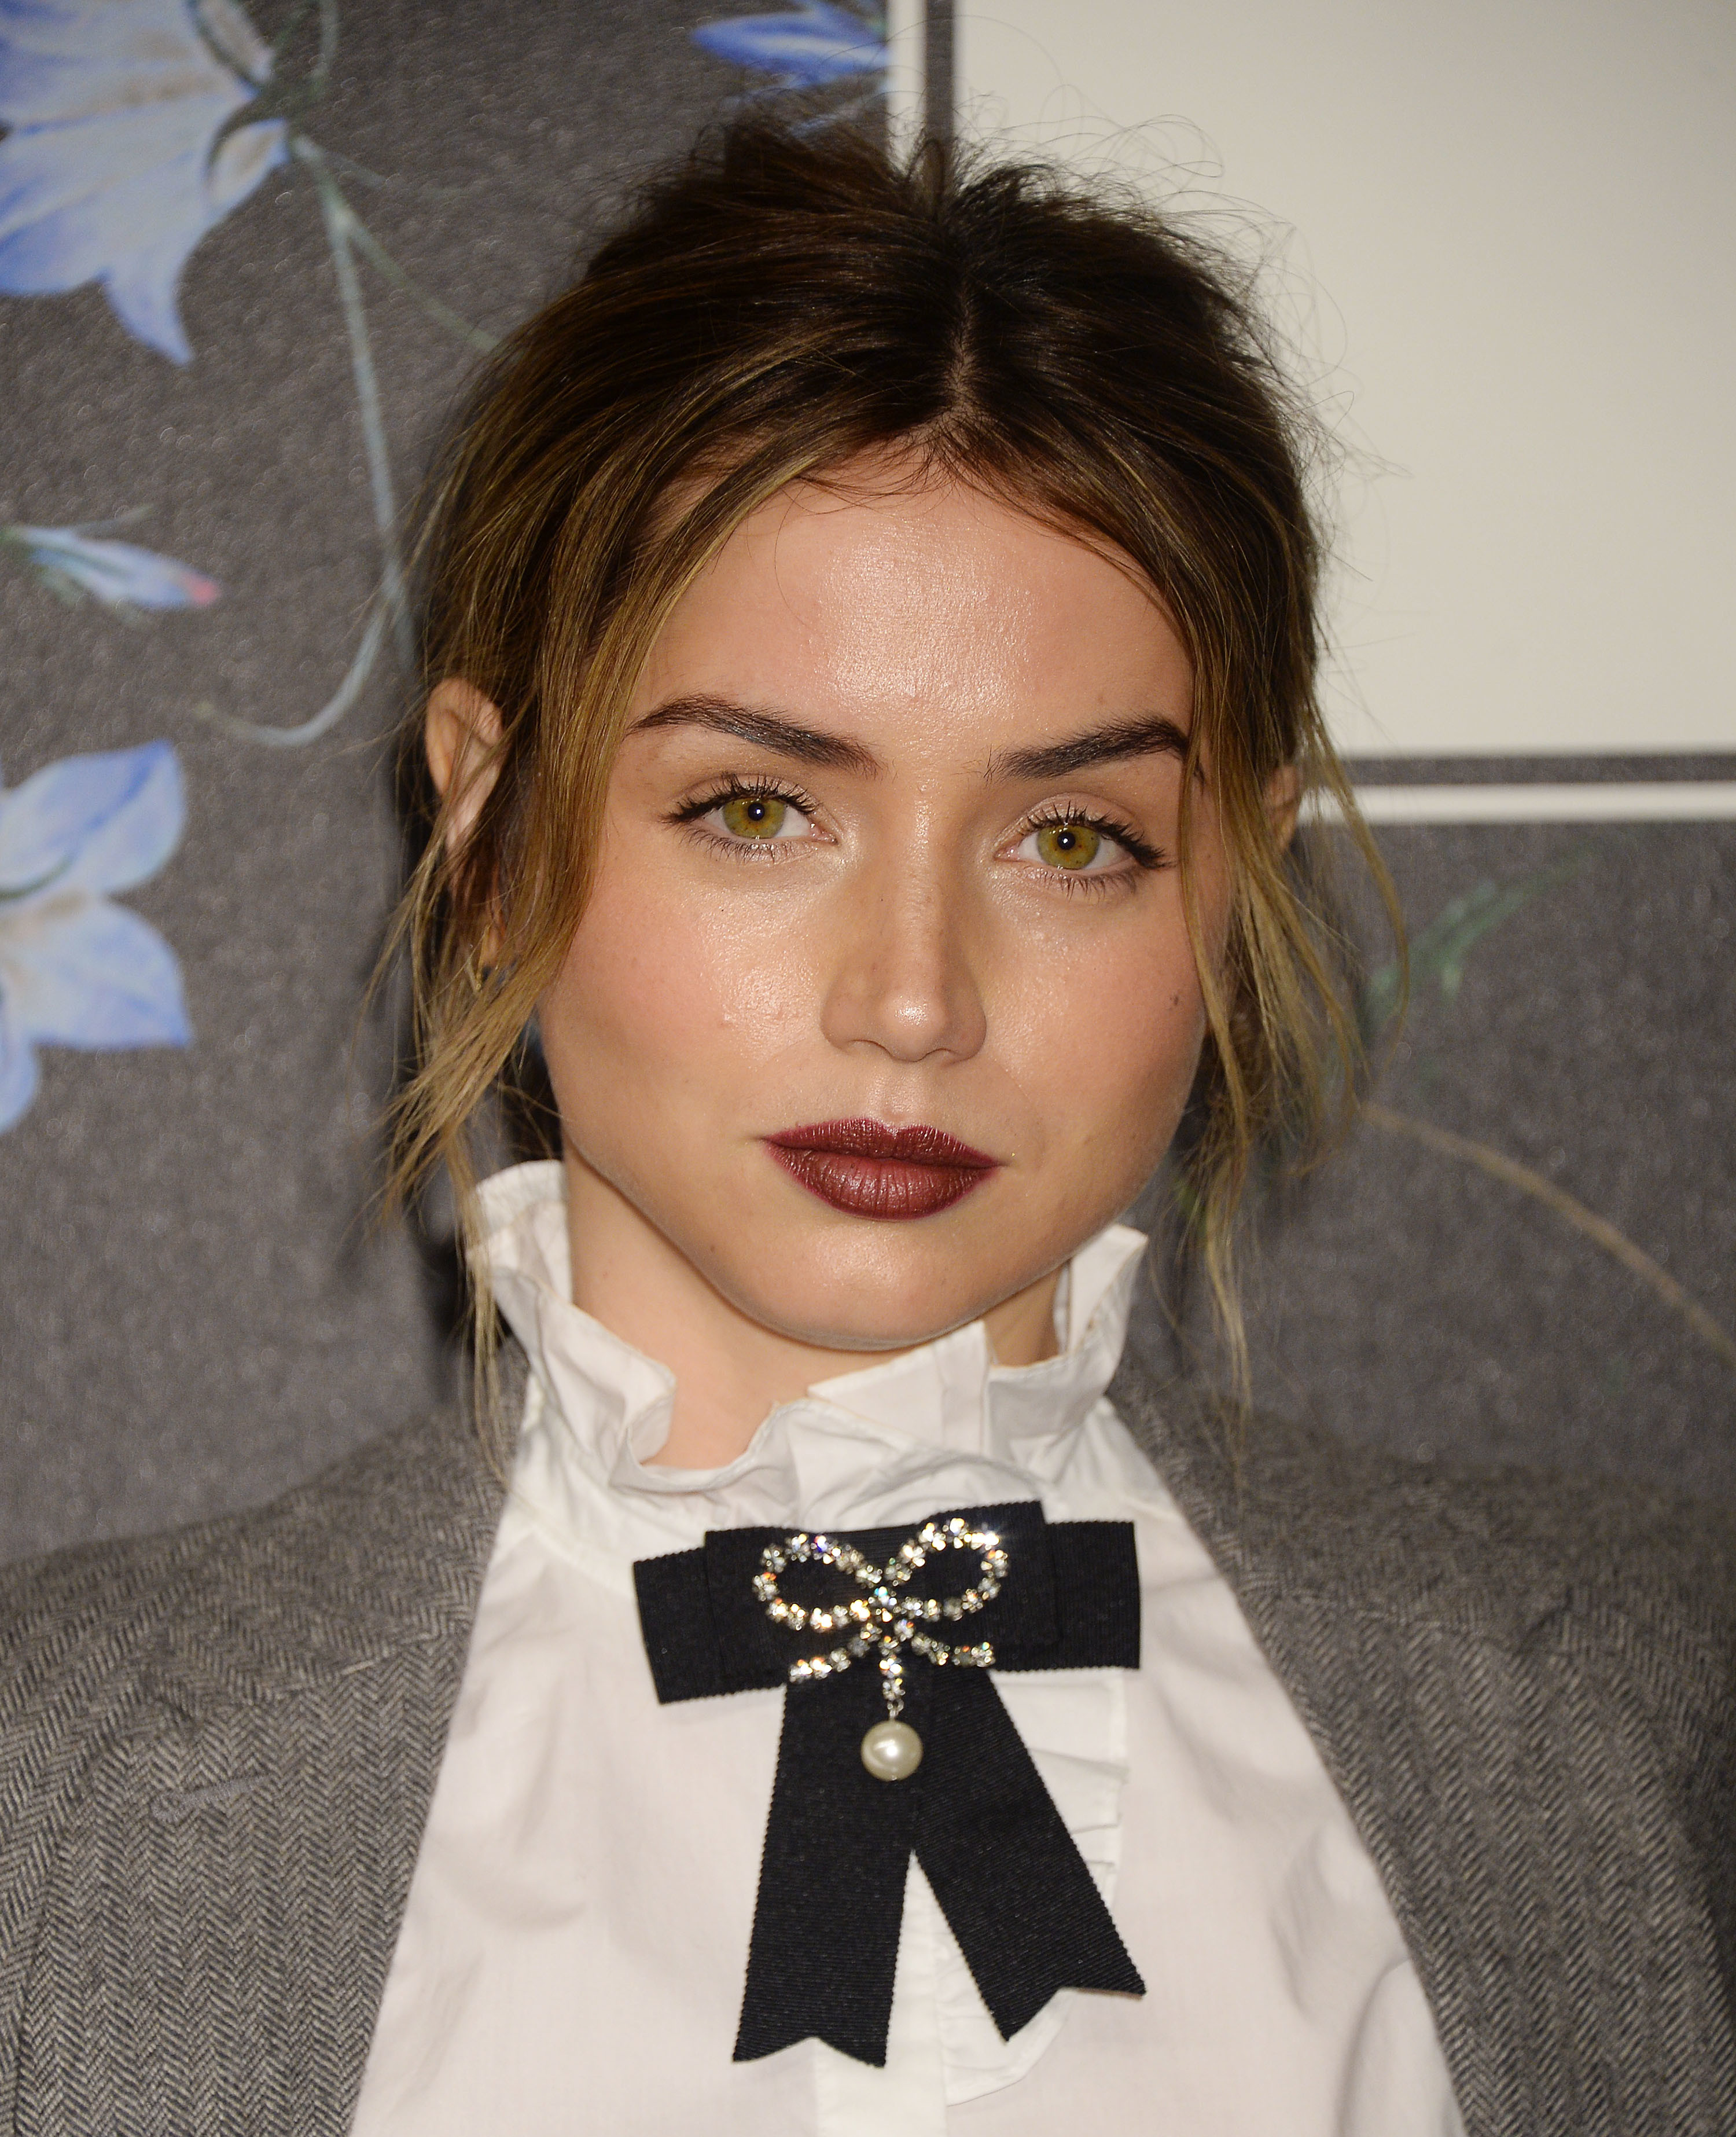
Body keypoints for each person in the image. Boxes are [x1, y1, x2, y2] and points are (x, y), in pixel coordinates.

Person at [2, 121, 1731, 2137]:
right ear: (488, 829)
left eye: (1072, 838)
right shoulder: (51, 1791)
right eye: (758, 809)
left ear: (1231, 886)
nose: (913, 999)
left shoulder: (1650, 1709)